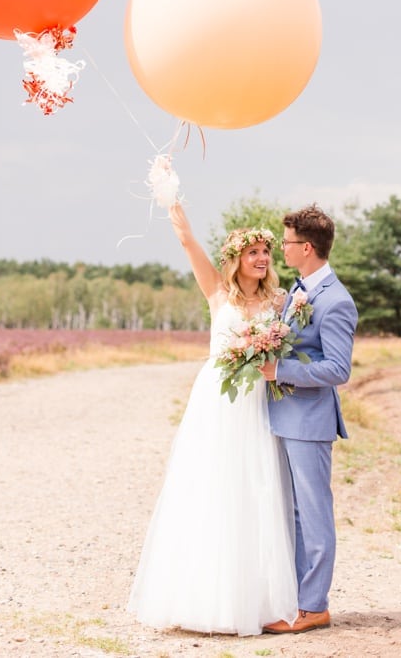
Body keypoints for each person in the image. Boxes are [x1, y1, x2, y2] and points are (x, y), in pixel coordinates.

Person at [127, 206, 298, 636]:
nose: (262, 258)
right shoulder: (217, 294)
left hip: (257, 403)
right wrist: (171, 199)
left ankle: (255, 602)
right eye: (254, 252)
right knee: (210, 489)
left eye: (266, 252)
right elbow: (187, 241)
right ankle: (201, 598)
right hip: (217, 405)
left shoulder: (280, 301)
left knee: (256, 490)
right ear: (236, 259)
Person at [259, 204, 358, 635]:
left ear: (309, 247)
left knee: (313, 514)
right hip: (284, 417)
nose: (282, 248)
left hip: (310, 422)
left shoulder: (335, 300)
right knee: (293, 513)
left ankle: (314, 606)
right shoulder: (301, 290)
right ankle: (297, 599)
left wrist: (280, 371)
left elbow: (338, 369)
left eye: (287, 243)